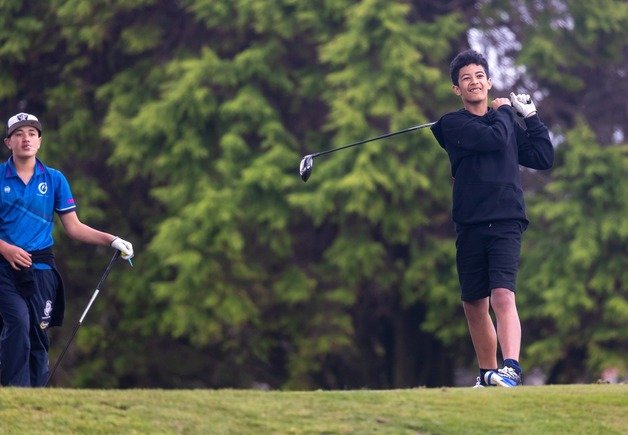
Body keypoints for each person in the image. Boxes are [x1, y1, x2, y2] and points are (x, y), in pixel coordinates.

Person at [430, 50, 554, 387]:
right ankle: (487, 373)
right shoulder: (453, 124)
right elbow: (494, 138)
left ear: (489, 81)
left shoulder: (505, 123)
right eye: (466, 78)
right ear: (457, 89)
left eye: (479, 76)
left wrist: (530, 118)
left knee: (502, 295)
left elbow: (543, 156)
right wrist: (503, 112)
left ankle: (511, 367)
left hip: (505, 218)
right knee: (473, 302)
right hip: (470, 221)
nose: (474, 82)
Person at [0, 112, 134, 387]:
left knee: (38, 334)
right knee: (18, 324)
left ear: (40, 141)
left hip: (41, 270)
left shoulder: (54, 179)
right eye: (19, 134)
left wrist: (111, 239)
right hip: (4, 268)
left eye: (32, 134)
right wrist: (5, 249)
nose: (26, 139)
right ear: (8, 142)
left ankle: (36, 397)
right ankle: (14, 392)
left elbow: (73, 227)